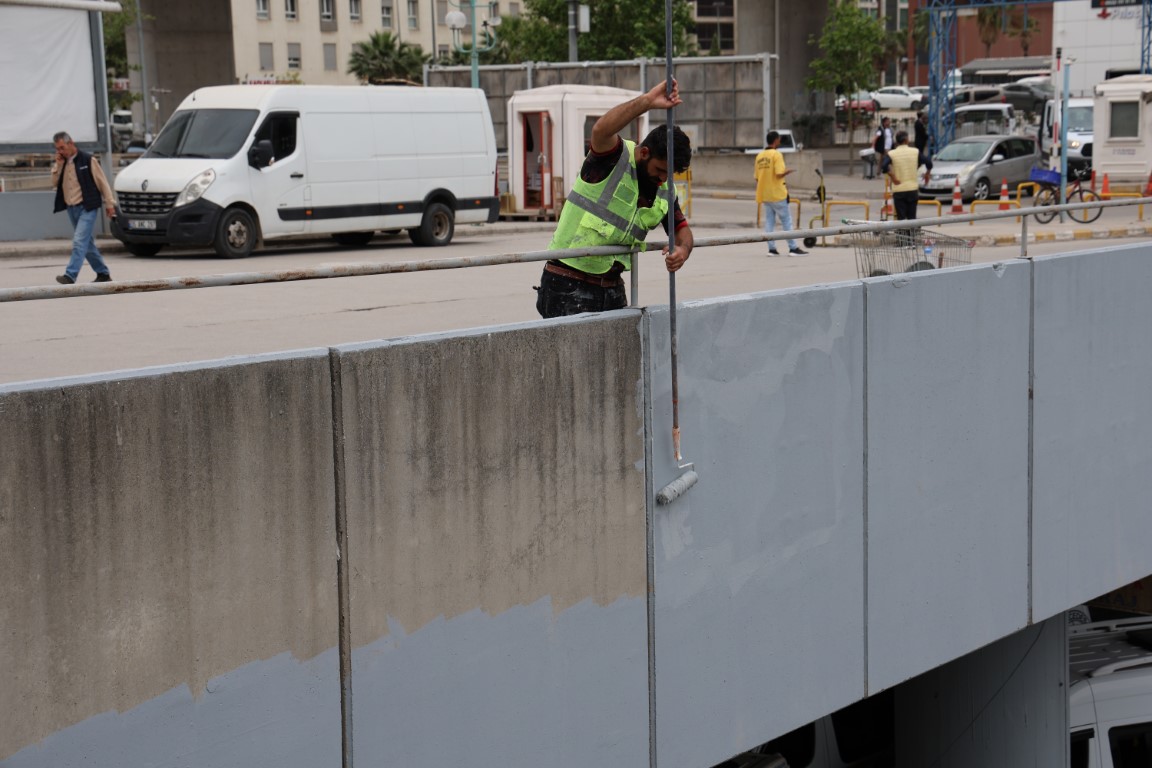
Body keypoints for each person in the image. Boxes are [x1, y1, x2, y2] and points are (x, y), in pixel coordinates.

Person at [535, 80, 694, 318]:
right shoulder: (611, 159)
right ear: (644, 153)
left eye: (669, 174)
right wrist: (647, 102)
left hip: (612, 288)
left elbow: (683, 231)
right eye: (660, 170)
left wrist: (682, 250)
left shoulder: (664, 189)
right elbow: (601, 130)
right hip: (567, 283)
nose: (663, 178)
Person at [51, 131, 116, 284]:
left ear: (71, 143)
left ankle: (70, 275)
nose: (60, 151)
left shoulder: (88, 160)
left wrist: (109, 204)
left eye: (62, 148)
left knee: (79, 241)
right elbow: (54, 183)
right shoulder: (62, 162)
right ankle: (103, 273)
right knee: (86, 243)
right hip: (71, 208)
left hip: (88, 207)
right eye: (57, 149)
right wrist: (59, 166)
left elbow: (103, 183)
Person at [754, 130, 806, 256]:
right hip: (777, 194)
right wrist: (787, 172)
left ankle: (771, 249)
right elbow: (778, 173)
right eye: (779, 139)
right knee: (786, 221)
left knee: (769, 222)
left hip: (765, 194)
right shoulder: (776, 155)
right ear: (776, 140)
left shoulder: (760, 156)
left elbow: (757, 177)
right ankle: (793, 248)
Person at [881, 129, 932, 222]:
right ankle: (911, 236)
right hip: (912, 189)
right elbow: (929, 162)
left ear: (897, 141)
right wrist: (927, 174)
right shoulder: (915, 151)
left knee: (901, 219)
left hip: (899, 190)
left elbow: (884, 166)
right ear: (906, 140)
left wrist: (893, 177)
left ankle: (902, 236)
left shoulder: (892, 153)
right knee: (912, 218)